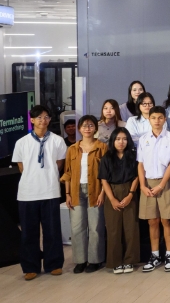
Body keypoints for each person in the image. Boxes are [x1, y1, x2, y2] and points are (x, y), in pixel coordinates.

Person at [13, 105, 67, 281]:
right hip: (28, 193)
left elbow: (59, 164)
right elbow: (21, 167)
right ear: (32, 120)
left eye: (46, 117)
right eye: (39, 117)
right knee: (29, 232)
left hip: (50, 191)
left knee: (52, 230)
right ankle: (30, 267)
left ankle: (54, 264)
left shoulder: (58, 140)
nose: (43, 120)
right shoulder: (21, 142)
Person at [136, 105, 170, 272]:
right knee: (152, 221)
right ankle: (155, 255)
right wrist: (142, 185)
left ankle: (169, 254)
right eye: (153, 118)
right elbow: (140, 164)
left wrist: (162, 184)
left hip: (165, 182)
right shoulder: (143, 139)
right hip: (148, 183)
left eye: (160, 118)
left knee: (166, 220)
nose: (157, 121)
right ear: (149, 119)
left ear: (164, 119)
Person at [61, 115, 107, 273]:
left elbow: (106, 173)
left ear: (95, 128)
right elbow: (67, 172)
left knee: (96, 227)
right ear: (79, 129)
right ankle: (80, 260)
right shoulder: (72, 149)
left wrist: (103, 193)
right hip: (76, 191)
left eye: (91, 125)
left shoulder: (102, 147)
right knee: (77, 227)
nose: (87, 128)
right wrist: (67, 194)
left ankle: (95, 260)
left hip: (96, 191)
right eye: (84, 126)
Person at [98, 127, 140, 274]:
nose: (121, 142)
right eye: (118, 139)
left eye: (124, 139)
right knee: (113, 229)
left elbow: (136, 177)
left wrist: (130, 194)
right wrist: (112, 199)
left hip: (130, 191)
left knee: (131, 228)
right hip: (112, 192)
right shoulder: (106, 158)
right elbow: (104, 180)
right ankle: (115, 262)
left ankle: (129, 261)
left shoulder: (133, 157)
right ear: (113, 141)